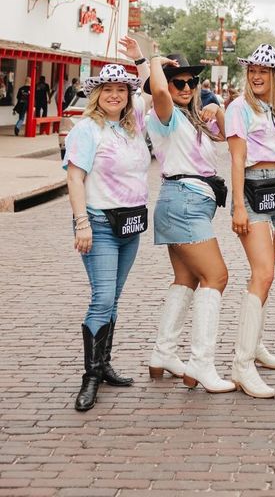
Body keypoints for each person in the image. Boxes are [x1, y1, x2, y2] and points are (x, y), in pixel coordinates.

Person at [63, 58, 151, 411]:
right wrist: (81, 223)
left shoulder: (132, 126)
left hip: (130, 224)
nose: (115, 95)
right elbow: (74, 177)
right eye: (108, 90)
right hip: (98, 224)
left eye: (121, 90)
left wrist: (142, 60)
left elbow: (151, 88)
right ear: (96, 95)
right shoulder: (86, 130)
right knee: (102, 298)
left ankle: (104, 364)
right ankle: (91, 377)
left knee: (113, 297)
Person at [146, 53, 235, 394]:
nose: (186, 87)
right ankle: (201, 362)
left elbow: (228, 137)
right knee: (216, 276)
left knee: (185, 278)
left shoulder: (190, 118)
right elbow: (158, 92)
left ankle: (164, 352)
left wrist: (218, 111)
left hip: (189, 201)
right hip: (183, 201)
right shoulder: (164, 115)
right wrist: (155, 61)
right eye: (177, 82)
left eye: (191, 81)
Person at [226, 44, 275, 399]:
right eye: (252, 69)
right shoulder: (239, 108)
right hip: (252, 190)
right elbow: (237, 160)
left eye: (263, 71)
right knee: (263, 272)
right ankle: (242, 363)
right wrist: (238, 206)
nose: (256, 75)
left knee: (266, 274)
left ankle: (256, 345)